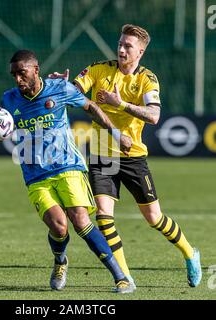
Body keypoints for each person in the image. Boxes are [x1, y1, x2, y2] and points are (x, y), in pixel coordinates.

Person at [0, 49, 136, 293]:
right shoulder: (10, 100)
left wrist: (115, 133)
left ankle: (121, 278)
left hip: (68, 166)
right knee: (59, 227)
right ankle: (60, 261)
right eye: (14, 75)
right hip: (35, 175)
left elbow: (90, 107)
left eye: (22, 73)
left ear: (36, 70)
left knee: (80, 220)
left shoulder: (60, 88)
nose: (17, 79)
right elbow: (0, 133)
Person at [49, 24, 202, 288]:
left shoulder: (147, 79)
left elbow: (154, 116)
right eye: (120, 43)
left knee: (154, 218)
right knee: (104, 216)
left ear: (140, 51)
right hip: (100, 154)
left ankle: (190, 253)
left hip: (132, 157)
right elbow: (73, 90)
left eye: (128, 46)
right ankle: (125, 277)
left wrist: (119, 103)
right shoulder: (99, 69)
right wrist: (59, 86)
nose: (121, 49)